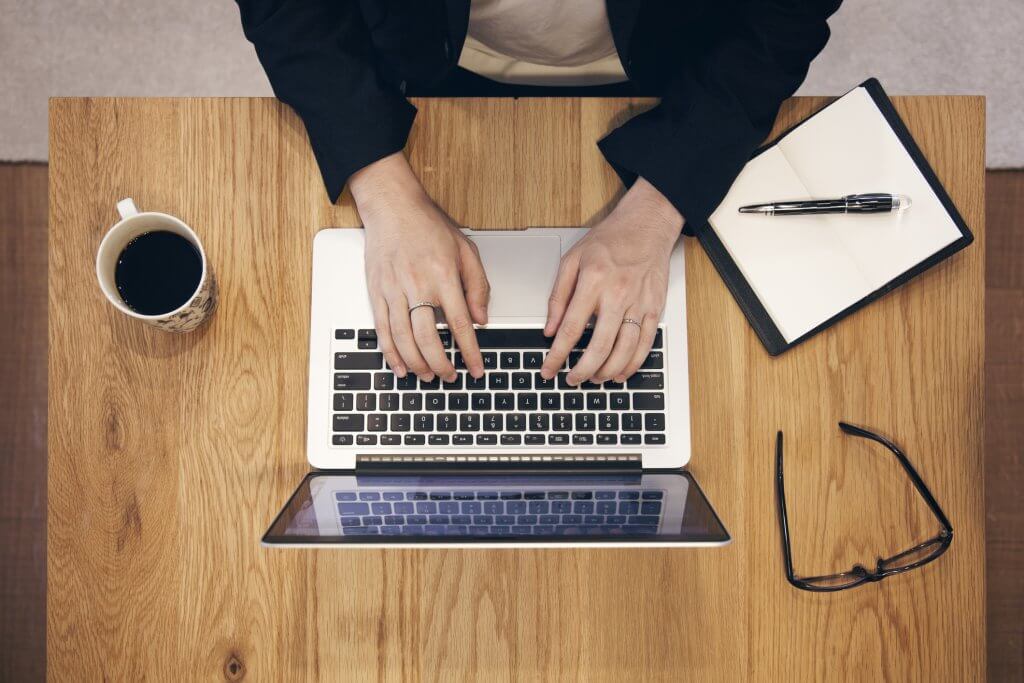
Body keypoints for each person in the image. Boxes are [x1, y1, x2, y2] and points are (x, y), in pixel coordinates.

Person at [236, 0, 841, 386]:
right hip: (424, 53)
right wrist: (382, 187)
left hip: (670, 59)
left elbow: (784, 19)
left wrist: (661, 205)